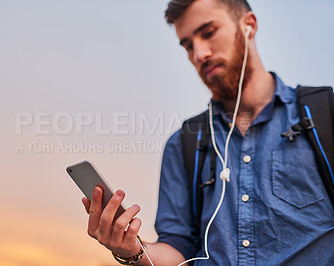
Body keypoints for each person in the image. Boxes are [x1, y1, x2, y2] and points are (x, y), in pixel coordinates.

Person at [82, 0, 334, 265]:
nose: (199, 54)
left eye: (209, 32)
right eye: (188, 45)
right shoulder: (183, 144)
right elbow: (177, 250)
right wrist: (130, 249)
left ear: (249, 25)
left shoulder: (324, 114)